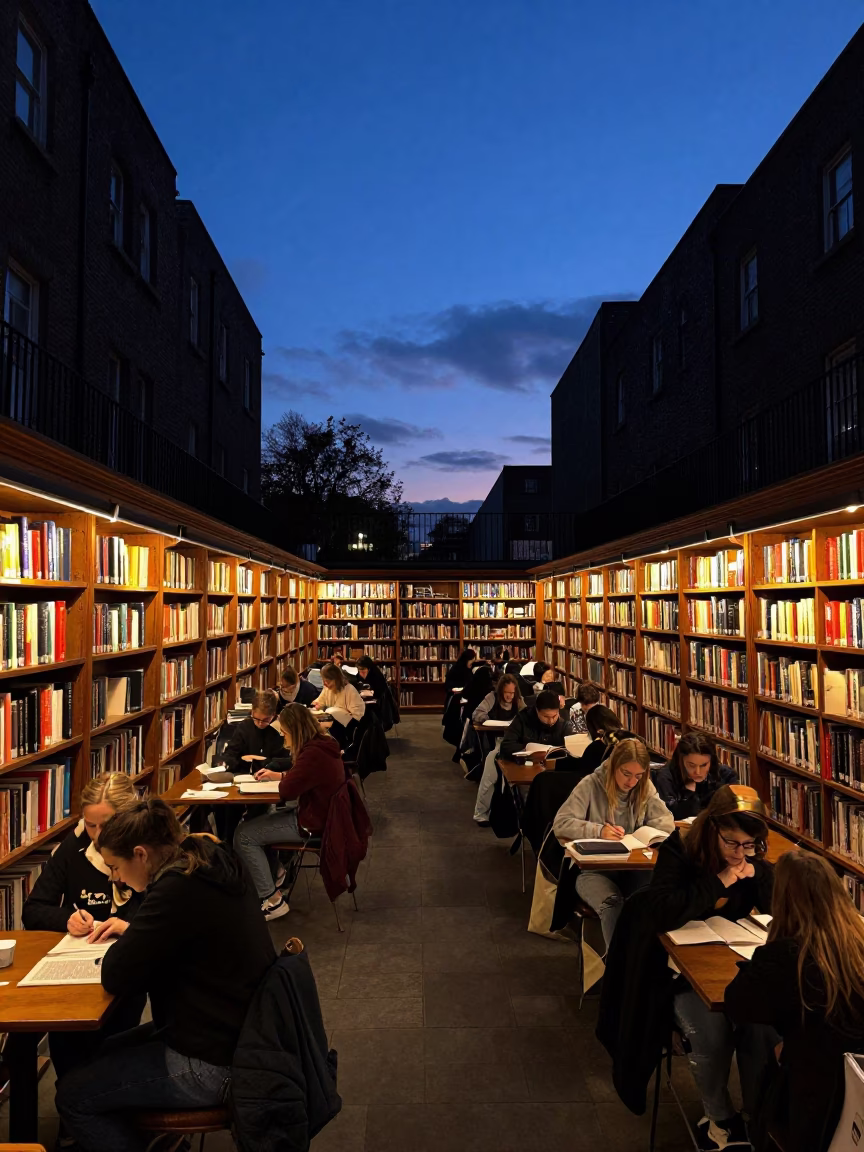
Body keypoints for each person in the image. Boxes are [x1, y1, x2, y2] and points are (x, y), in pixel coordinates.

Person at [55, 799, 275, 1152]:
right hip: (243, 1035)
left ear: (141, 854)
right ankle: (158, 1141)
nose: (115, 877)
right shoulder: (205, 856)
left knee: (73, 1095)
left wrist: (139, 931)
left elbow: (115, 975)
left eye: (115, 866)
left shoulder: (175, 889)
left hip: (213, 1061)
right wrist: (140, 931)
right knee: (102, 1051)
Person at [649, 785, 776, 1150]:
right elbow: (662, 910)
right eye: (732, 843)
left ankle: (759, 1117)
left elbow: (771, 910)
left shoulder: (748, 857)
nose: (739, 853)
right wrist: (718, 882)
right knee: (711, 1028)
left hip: (730, 958)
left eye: (748, 845)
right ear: (712, 830)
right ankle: (719, 1118)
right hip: (675, 968)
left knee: (762, 1024)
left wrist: (759, 873)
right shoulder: (681, 847)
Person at [725, 851, 864, 1152]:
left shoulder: (787, 958)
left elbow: (737, 1003)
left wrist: (764, 951)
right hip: (857, 1088)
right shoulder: (859, 945)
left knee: (765, 1056)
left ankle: (748, 1130)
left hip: (816, 1103)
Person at [21, 773, 145, 1080]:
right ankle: (74, 1109)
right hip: (76, 966)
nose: (98, 835)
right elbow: (34, 909)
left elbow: (162, 914)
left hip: (127, 967)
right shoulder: (73, 846)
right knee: (67, 1041)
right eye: (91, 825)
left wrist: (128, 925)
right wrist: (67, 919)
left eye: (107, 824)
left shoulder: (145, 850)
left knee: (113, 1044)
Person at [552, 738, 674, 948]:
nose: (631, 782)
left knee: (655, 901)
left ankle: (647, 967)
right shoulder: (590, 784)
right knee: (612, 904)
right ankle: (617, 970)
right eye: (626, 774)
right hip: (594, 871)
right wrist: (598, 830)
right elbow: (561, 824)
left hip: (634, 868)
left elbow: (666, 823)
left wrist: (649, 836)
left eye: (638, 775)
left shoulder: (644, 786)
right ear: (613, 766)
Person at [234, 703, 346, 920]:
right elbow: (304, 778)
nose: (284, 739)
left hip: (312, 822)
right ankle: (276, 873)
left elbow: (288, 792)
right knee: (261, 819)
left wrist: (284, 778)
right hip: (323, 815)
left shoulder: (311, 753)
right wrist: (281, 775)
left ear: (294, 730)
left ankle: (272, 899)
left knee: (244, 835)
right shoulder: (324, 744)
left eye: (285, 733)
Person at [472, 675, 526, 824]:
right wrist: (487, 719)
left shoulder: (518, 701)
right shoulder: (492, 697)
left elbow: (527, 716)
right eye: (506, 692)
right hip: (497, 741)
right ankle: (481, 813)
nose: (509, 696)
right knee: (490, 776)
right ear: (501, 690)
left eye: (512, 693)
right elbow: (477, 713)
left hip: (515, 741)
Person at [655, 731, 739, 820]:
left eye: (704, 765)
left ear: (711, 761)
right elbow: (666, 817)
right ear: (681, 761)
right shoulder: (666, 777)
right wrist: (690, 796)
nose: (697, 772)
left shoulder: (726, 775)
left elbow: (734, 814)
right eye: (691, 765)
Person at [500, 689, 576, 759]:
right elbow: (506, 746)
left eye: (554, 716)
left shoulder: (564, 722)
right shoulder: (523, 719)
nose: (550, 721)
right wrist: (527, 748)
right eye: (546, 716)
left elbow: (573, 748)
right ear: (537, 710)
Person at [222, 689, 285, 771]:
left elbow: (282, 761)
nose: (260, 723)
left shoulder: (278, 730)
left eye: (266, 720)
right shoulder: (244, 727)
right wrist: (242, 761)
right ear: (252, 712)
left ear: (273, 715)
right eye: (256, 719)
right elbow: (229, 756)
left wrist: (258, 760)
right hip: (243, 775)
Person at [310, 662, 365, 749]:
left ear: (336, 679)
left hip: (347, 727)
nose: (325, 684)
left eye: (327, 681)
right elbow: (321, 701)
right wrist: (316, 706)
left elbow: (357, 715)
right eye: (323, 681)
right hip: (332, 721)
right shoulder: (328, 688)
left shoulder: (349, 690)